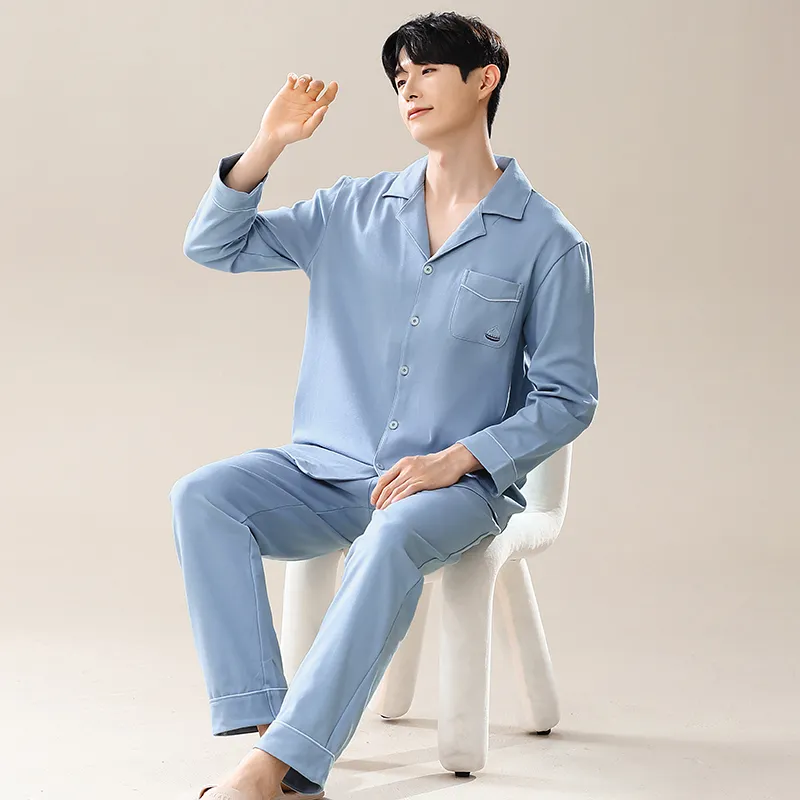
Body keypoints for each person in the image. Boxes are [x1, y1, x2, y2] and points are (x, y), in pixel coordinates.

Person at [170, 11, 599, 800]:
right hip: (325, 471)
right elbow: (214, 245)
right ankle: (275, 735)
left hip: (452, 489)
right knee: (204, 497)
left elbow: (569, 398)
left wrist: (458, 460)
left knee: (393, 534)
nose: (409, 89)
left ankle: (278, 775)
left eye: (428, 71)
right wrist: (268, 145)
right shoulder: (350, 210)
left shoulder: (548, 241)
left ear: (484, 81)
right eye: (401, 78)